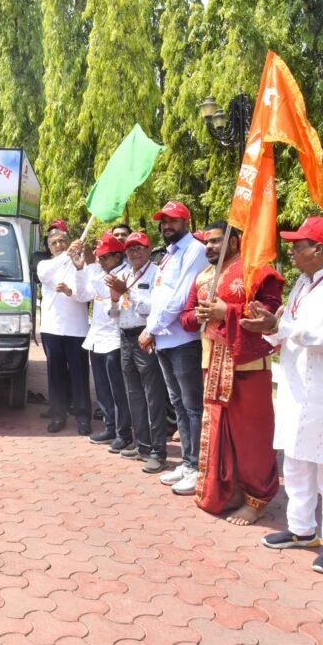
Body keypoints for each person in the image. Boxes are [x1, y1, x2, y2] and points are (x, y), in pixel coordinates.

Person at [243, 216, 323, 575]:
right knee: (295, 463)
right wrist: (269, 326)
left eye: (299, 245)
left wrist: (279, 326)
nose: (292, 251)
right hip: (298, 389)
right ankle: (301, 529)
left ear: (320, 249)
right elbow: (289, 328)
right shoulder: (303, 282)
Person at [179, 222, 282, 521]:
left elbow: (270, 310)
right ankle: (226, 491)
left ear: (235, 242)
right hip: (212, 364)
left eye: (216, 242)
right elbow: (186, 318)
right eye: (206, 243)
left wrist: (228, 313)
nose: (209, 247)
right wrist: (197, 316)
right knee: (220, 433)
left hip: (247, 365)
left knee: (251, 435)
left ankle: (257, 499)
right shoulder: (203, 278)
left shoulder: (255, 270)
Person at [140, 201, 209, 495]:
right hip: (165, 339)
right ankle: (187, 461)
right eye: (163, 221)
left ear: (186, 222)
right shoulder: (168, 254)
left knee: (193, 407)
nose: (167, 226)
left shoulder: (194, 250)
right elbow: (159, 297)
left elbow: (180, 298)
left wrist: (150, 329)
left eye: (173, 221)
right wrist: (154, 331)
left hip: (183, 341)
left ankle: (197, 466)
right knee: (178, 404)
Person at [71, 232, 132, 449]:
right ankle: (110, 426)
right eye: (100, 257)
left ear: (117, 256)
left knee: (118, 390)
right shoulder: (99, 272)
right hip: (97, 337)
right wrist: (80, 269)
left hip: (114, 339)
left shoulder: (123, 274)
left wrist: (90, 266)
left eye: (105, 257)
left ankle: (124, 432)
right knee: (102, 388)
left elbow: (105, 295)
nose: (101, 261)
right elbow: (82, 294)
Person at [114, 232, 169, 472]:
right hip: (125, 337)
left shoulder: (156, 273)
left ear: (148, 250)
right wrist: (115, 297)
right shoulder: (124, 274)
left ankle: (158, 449)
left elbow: (152, 308)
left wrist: (128, 291)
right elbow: (117, 309)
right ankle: (143, 444)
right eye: (130, 249)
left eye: (139, 248)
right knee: (133, 393)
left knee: (152, 394)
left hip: (145, 336)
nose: (134, 253)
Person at [36, 226, 91, 435]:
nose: (59, 245)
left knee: (79, 375)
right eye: (54, 243)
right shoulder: (46, 264)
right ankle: (58, 415)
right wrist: (66, 256)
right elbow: (44, 276)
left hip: (77, 329)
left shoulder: (82, 264)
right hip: (52, 328)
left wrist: (70, 290)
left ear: (68, 243)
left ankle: (83, 417)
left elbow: (85, 294)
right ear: (49, 248)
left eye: (62, 241)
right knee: (55, 375)